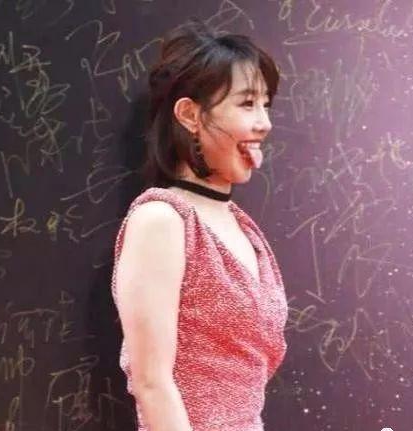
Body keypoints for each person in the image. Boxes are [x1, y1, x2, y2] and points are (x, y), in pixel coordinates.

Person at [111, 17, 288, 431]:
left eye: (265, 104)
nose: (264, 122)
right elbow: (152, 383)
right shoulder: (161, 219)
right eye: (247, 103)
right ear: (190, 114)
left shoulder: (244, 228)